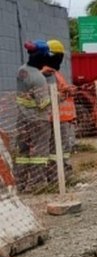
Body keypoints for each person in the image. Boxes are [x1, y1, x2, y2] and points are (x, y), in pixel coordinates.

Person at [14, 42, 53, 191]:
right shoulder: (39, 79)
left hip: (23, 118)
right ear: (42, 57)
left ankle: (20, 184)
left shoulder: (22, 70)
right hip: (39, 120)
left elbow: (28, 88)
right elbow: (42, 103)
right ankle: (37, 184)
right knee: (39, 152)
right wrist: (56, 97)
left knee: (22, 153)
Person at [40, 39, 77, 158]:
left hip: (61, 118)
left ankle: (64, 173)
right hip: (48, 119)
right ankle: (54, 175)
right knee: (51, 150)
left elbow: (62, 94)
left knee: (63, 150)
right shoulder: (40, 74)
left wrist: (69, 92)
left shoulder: (55, 73)